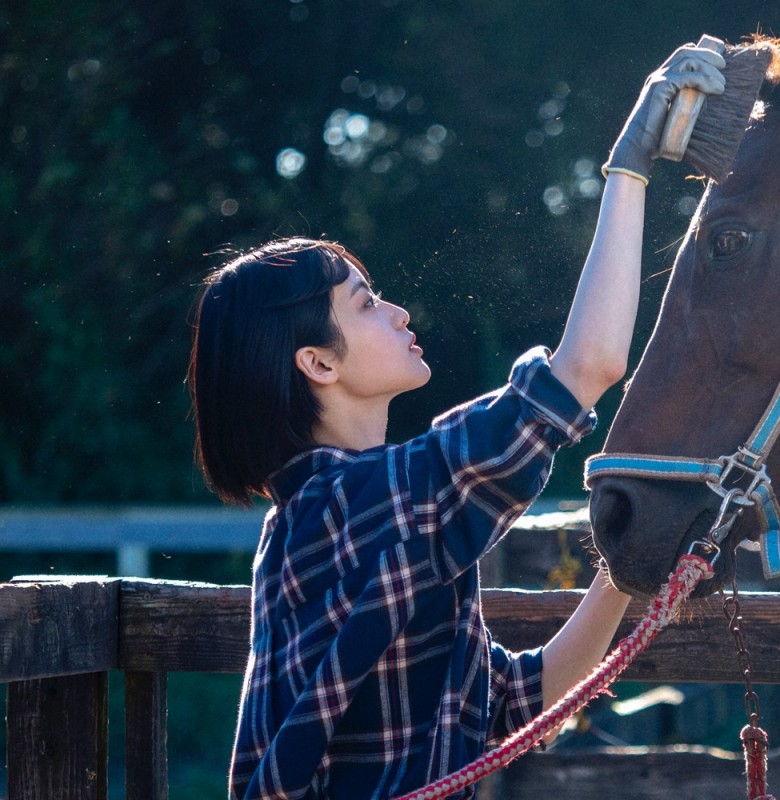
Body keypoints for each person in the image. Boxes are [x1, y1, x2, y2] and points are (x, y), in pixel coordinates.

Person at [187, 42, 726, 800]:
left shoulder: (329, 519)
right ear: (318, 363)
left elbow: (511, 702)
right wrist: (628, 167)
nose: (399, 312)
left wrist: (626, 570)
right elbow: (589, 366)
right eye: (367, 303)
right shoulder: (359, 505)